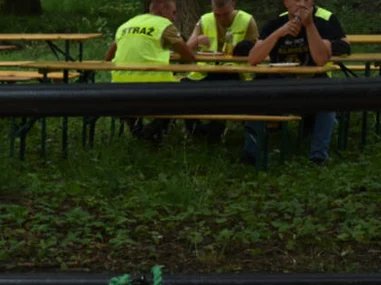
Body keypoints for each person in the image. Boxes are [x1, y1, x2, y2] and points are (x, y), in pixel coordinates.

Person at [242, 0, 349, 164]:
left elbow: (321, 59)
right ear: (285, 3)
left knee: (329, 96)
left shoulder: (321, 24)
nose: (300, 3)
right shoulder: (275, 24)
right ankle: (251, 153)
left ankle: (318, 156)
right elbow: (253, 58)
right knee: (255, 93)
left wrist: (309, 26)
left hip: (311, 80)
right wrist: (279, 33)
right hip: (279, 80)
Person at [105, 0, 200, 144]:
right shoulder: (164, 26)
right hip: (154, 86)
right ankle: (151, 132)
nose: (174, 18)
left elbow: (108, 58)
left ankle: (138, 130)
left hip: (119, 86)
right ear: (162, 9)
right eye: (173, 13)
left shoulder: (127, 24)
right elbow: (188, 56)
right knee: (184, 93)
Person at [184, 0, 260, 140]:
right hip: (204, 72)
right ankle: (195, 132)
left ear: (234, 5)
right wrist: (196, 41)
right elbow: (186, 49)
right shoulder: (204, 20)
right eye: (217, 15)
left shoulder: (247, 21)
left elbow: (257, 52)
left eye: (225, 14)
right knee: (183, 90)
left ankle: (214, 134)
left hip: (233, 73)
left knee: (220, 89)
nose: (222, 19)